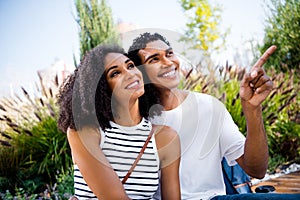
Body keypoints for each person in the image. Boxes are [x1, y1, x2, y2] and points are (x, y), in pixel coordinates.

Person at [127, 32, 300, 200]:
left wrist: (252, 109)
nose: (167, 62)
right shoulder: (136, 119)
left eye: (169, 53)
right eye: (154, 59)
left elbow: (256, 169)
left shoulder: (208, 106)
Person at [57, 44, 181, 199]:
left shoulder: (166, 138)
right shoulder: (85, 132)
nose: (130, 74)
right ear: (100, 87)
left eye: (130, 66)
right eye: (115, 73)